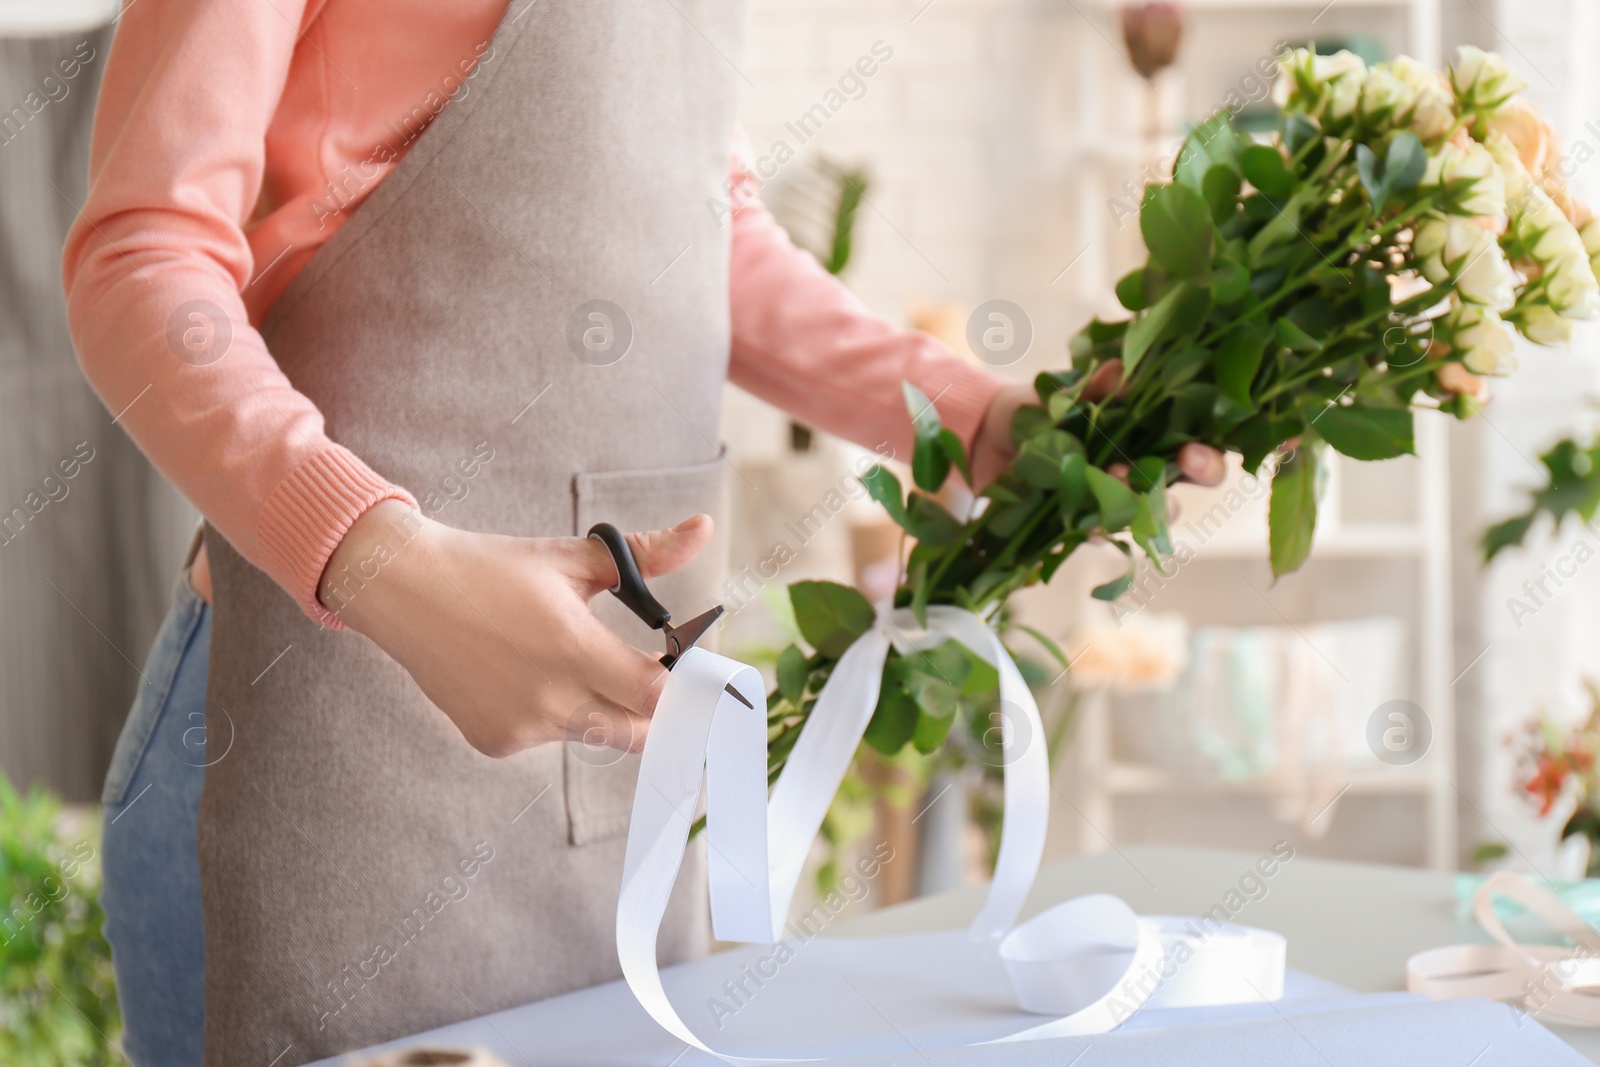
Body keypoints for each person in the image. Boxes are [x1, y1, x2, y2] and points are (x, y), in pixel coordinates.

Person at [63, 2, 1225, 1064]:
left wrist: (980, 423)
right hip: (317, 727)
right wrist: (380, 555)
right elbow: (141, 254)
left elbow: (700, 229)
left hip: (612, 764)